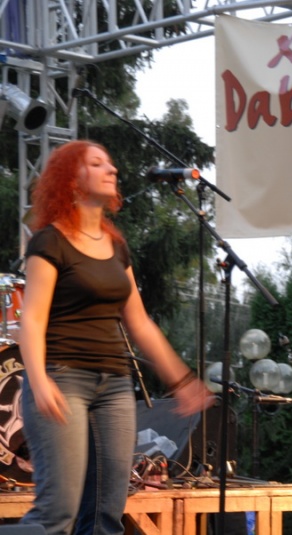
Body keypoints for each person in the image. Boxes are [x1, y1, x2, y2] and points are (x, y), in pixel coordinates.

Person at [18, 140, 212, 535]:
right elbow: (32, 320)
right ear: (72, 179)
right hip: (62, 377)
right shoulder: (50, 241)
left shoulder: (116, 246)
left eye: (110, 163)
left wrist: (182, 380)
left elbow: (139, 322)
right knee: (56, 516)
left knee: (105, 516)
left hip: (115, 386)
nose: (112, 170)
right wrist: (38, 381)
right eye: (97, 163)